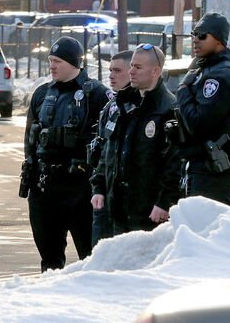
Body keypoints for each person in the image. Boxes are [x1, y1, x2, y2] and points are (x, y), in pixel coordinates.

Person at [19, 36, 109, 271]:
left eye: (57, 61)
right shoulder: (42, 94)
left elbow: (108, 142)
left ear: (73, 63)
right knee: (49, 260)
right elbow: (31, 138)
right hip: (45, 188)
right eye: (50, 60)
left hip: (79, 188)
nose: (52, 66)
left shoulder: (96, 94)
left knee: (90, 258)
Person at [91, 45, 181, 235]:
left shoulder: (168, 108)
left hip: (149, 214)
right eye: (131, 65)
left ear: (156, 71)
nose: (131, 71)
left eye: (138, 67)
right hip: (119, 210)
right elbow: (109, 149)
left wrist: (164, 202)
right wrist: (99, 186)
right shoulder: (123, 104)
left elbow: (175, 162)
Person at [173, 12, 230, 206]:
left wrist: (182, 91)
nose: (195, 40)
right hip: (204, 162)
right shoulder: (207, 69)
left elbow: (199, 124)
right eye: (193, 34)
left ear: (219, 40)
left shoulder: (221, 75)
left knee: (205, 227)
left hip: (215, 165)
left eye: (202, 35)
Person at [87, 49, 131, 245]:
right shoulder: (111, 107)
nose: (111, 76)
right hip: (105, 199)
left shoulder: (142, 108)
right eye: (111, 70)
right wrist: (98, 188)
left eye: (118, 71)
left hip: (127, 203)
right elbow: (102, 154)